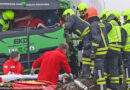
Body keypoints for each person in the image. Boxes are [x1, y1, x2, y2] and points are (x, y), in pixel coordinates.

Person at [84, 7, 108, 90]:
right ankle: (101, 86)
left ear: (89, 14)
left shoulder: (93, 25)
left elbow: (96, 39)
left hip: (99, 51)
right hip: (105, 50)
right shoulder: (101, 23)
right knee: (102, 70)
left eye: (86, 15)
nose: (86, 17)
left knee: (99, 71)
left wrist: (93, 50)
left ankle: (102, 88)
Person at [62, 9, 90, 77]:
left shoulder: (72, 17)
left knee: (86, 55)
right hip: (86, 35)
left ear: (68, 14)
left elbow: (67, 26)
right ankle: (88, 73)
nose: (65, 19)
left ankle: (86, 74)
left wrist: (61, 26)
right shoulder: (74, 19)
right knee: (87, 54)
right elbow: (71, 29)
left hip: (88, 34)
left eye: (65, 17)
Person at [102, 11, 122, 90]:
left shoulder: (109, 24)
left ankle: (110, 86)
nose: (103, 21)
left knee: (107, 68)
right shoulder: (116, 24)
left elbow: (102, 31)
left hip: (110, 49)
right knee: (114, 68)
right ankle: (114, 86)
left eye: (103, 19)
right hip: (117, 49)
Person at [121, 9, 130, 89]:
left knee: (127, 69)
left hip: (127, 52)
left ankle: (128, 86)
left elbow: (122, 41)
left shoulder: (124, 28)